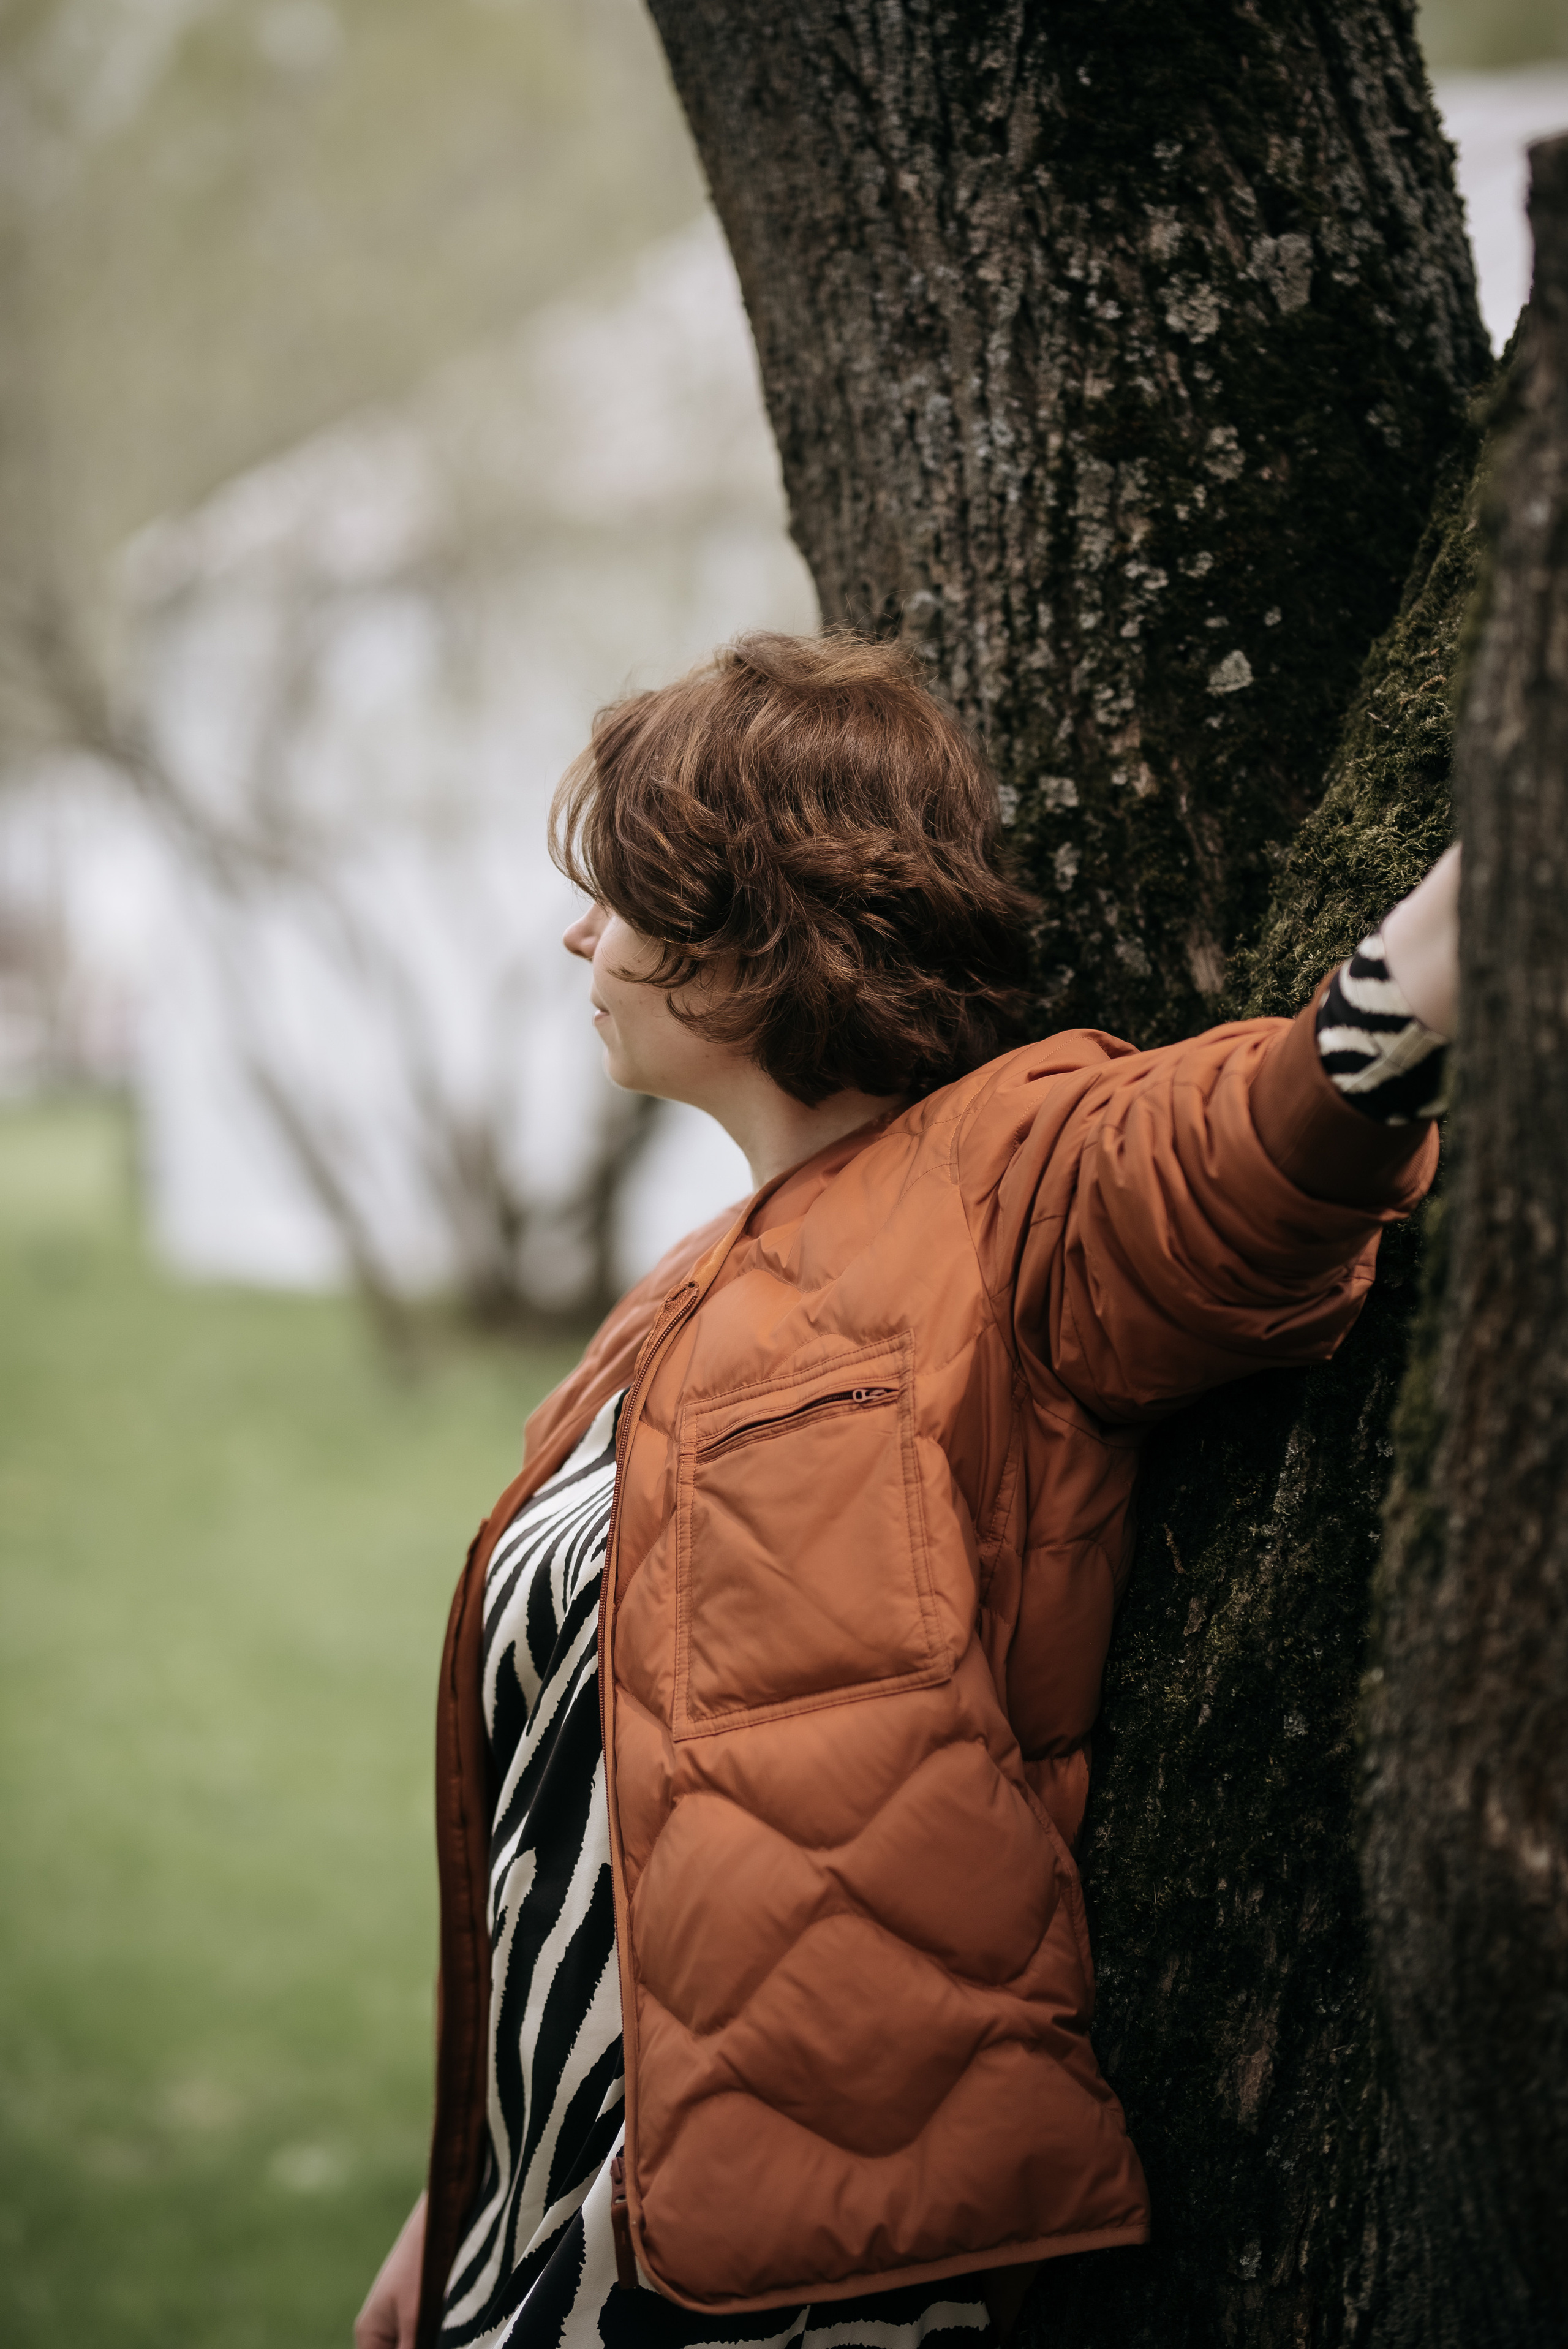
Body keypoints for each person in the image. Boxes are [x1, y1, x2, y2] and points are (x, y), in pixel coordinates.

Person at [356, 633, 1458, 2349]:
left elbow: (1250, 1143)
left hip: (801, 2268)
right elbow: (590, 1800)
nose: (583, 935)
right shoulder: (669, 1300)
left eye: (624, 895)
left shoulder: (1006, 1172)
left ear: (746, 922)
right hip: (563, 2205)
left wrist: (1494, 877)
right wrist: (469, 2186)